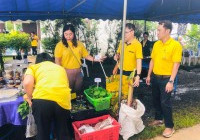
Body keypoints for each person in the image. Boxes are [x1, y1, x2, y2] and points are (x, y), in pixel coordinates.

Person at [146, 20, 182, 138]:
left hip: (167, 79)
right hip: (155, 77)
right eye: (157, 30)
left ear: (168, 31)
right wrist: (148, 75)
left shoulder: (175, 45)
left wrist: (171, 81)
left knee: (165, 102)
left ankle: (169, 126)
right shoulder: (157, 44)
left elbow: (176, 64)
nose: (157, 32)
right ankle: (158, 119)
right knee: (156, 99)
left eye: (159, 30)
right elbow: (152, 60)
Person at [23, 53, 72, 140]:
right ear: (51, 60)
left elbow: (27, 83)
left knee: (42, 133)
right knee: (63, 132)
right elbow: (67, 84)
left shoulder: (33, 67)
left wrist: (30, 98)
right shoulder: (60, 68)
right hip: (63, 101)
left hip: (42, 100)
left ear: (37, 61)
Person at [54, 24, 103, 100]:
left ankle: (76, 106)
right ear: (63, 34)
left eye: (70, 34)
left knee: (78, 91)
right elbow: (57, 60)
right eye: (66, 34)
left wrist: (96, 59)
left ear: (74, 33)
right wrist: (61, 72)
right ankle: (68, 107)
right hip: (66, 72)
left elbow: (86, 55)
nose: (68, 36)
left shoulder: (79, 44)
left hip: (78, 72)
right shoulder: (59, 45)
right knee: (68, 91)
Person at [113, 23, 143, 97]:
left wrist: (138, 75)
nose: (124, 35)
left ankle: (128, 107)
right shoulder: (121, 42)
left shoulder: (137, 44)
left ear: (132, 32)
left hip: (131, 73)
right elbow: (118, 55)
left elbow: (139, 61)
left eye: (126, 32)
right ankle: (120, 106)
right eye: (123, 33)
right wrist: (116, 58)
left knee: (129, 94)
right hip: (120, 71)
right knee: (120, 91)